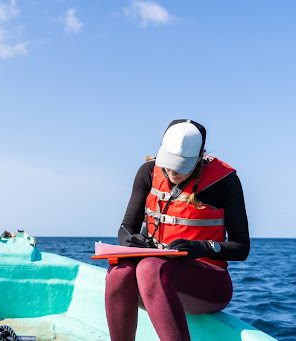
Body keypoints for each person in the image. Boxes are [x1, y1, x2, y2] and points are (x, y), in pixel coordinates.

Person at [105, 119, 250, 341]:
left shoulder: (226, 182)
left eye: (182, 165)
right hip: (154, 280)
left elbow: (241, 247)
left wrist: (200, 248)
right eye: (170, 162)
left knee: (149, 269)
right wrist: (130, 240)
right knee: (119, 272)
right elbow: (125, 228)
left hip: (208, 284)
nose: (173, 171)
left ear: (200, 156)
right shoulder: (147, 172)